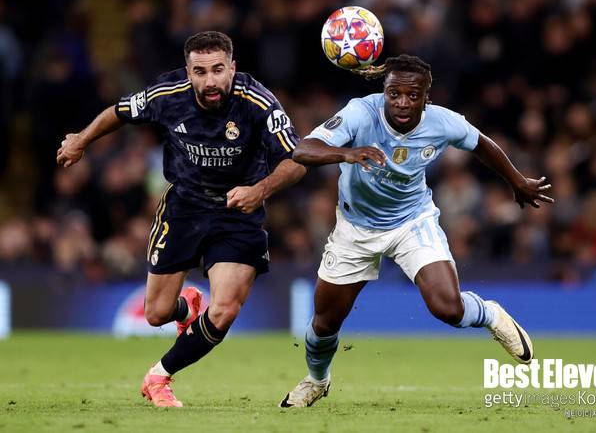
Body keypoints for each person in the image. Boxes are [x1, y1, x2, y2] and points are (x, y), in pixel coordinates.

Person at [280, 55, 553, 408]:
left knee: (448, 308)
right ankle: (317, 381)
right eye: (394, 94)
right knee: (324, 323)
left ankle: (490, 314)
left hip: (411, 222)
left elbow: (482, 143)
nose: (402, 102)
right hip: (355, 228)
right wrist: (346, 154)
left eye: (413, 95)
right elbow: (303, 150)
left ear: (427, 97)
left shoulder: (443, 121)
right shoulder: (360, 112)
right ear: (384, 91)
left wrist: (516, 181)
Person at [56, 31, 306, 408]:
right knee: (156, 313)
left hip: (238, 213)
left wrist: (260, 190)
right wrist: (81, 140)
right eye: (200, 72)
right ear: (188, 73)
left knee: (224, 308)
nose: (210, 80)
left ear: (232, 68)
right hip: (184, 208)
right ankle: (184, 308)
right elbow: (118, 112)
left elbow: (296, 159)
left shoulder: (258, 101)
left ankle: (159, 376)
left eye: (218, 70)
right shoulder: (167, 95)